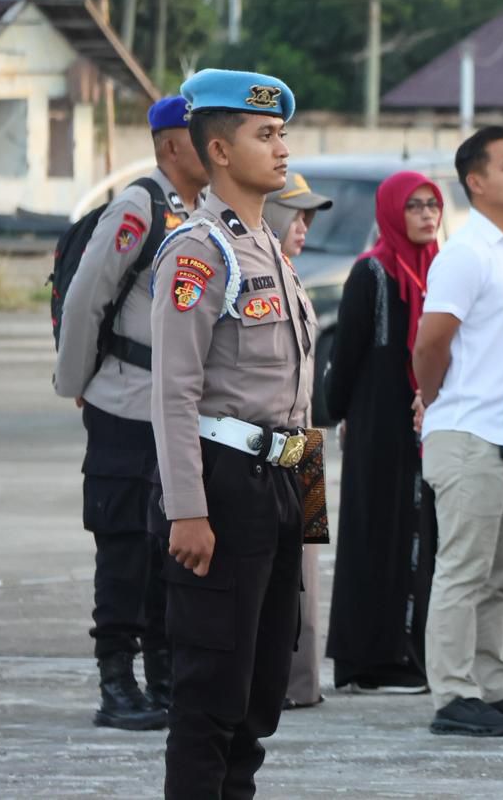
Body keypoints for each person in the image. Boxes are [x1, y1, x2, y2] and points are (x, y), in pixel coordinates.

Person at [150, 69, 315, 796]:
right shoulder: (199, 250)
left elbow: (296, 399)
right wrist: (187, 508)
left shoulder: (272, 252)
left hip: (280, 482)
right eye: (265, 136)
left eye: (282, 134)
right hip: (224, 485)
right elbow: (174, 391)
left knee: (260, 687)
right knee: (211, 685)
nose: (282, 150)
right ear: (218, 150)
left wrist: (307, 514)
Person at [54, 95, 206, 731]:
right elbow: (87, 297)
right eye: (201, 135)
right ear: (171, 145)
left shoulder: (203, 214)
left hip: (175, 413)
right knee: (123, 546)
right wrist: (78, 382)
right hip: (123, 403)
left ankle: (164, 675)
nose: (214, 145)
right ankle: (117, 681)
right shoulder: (139, 206)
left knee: (169, 549)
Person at [412, 125, 503, 737]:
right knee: (462, 571)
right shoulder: (463, 252)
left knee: (501, 575)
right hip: (466, 434)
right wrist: (436, 403)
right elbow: (431, 341)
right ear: (476, 181)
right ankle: (453, 693)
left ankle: (492, 684)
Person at [324, 171, 440, 696]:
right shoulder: (371, 273)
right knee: (377, 535)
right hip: (378, 426)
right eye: (413, 206)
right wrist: (339, 412)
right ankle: (370, 660)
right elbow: (344, 356)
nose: (424, 215)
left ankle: (413, 653)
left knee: (422, 538)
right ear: (392, 212)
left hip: (429, 422)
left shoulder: (441, 267)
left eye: (432, 205)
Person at [262, 170, 333, 711]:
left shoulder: (293, 278)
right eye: (295, 213)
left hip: (305, 445)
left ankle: (300, 682)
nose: (303, 226)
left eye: (309, 216)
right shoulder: (260, 277)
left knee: (307, 568)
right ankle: (278, 682)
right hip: (273, 445)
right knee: (277, 572)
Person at [264, 170, 333, 258]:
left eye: (304, 218)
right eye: (294, 218)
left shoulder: (283, 267)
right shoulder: (249, 268)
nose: (303, 229)